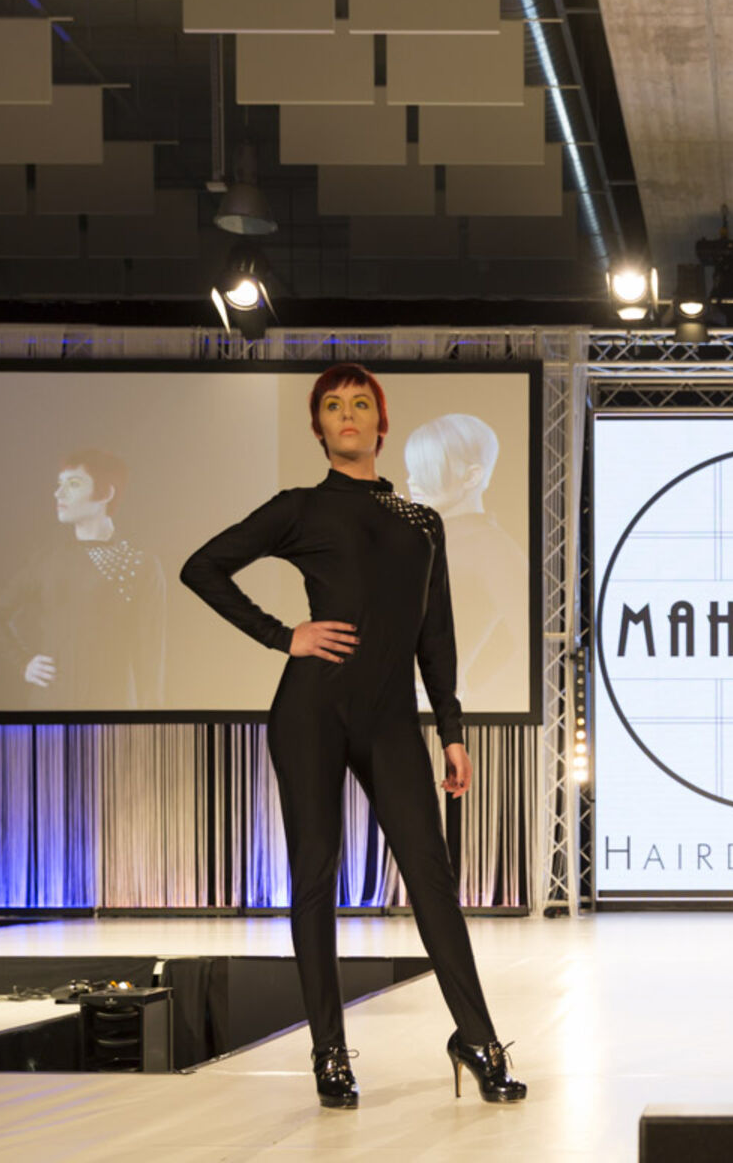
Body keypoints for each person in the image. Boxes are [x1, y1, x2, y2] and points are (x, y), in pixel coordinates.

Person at [180, 364, 525, 1110]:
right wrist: (283, 635)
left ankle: (478, 1041)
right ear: (319, 428)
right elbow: (200, 568)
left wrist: (452, 731)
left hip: (393, 719)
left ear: (380, 424)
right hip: (311, 712)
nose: (347, 414)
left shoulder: (422, 522)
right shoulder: (300, 508)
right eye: (333, 405)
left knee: (431, 879)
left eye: (360, 403)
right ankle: (329, 1054)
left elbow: (436, 635)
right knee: (315, 877)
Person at [0, 449, 166, 709]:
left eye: (73, 484)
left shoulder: (140, 565)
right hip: (48, 711)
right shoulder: (47, 560)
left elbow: (150, 659)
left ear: (106, 493)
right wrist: (23, 662)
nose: (58, 494)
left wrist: (151, 721)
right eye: (59, 484)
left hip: (111, 713)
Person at [403, 413, 529, 712]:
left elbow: (534, 647)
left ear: (472, 476)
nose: (412, 481)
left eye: (427, 470)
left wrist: (470, 702)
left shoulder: (491, 548)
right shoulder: (421, 540)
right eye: (412, 469)